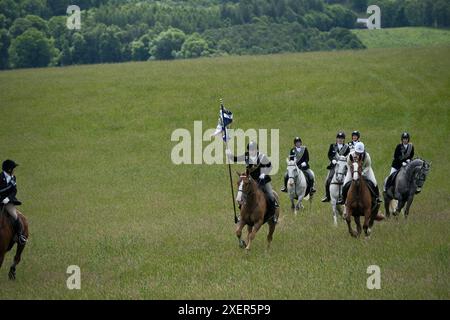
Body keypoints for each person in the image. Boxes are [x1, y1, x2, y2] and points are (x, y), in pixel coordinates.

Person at [226, 141, 279, 212]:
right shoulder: (246, 156)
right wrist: (229, 154)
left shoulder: (262, 157)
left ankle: (273, 211)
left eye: (253, 149)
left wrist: (264, 173)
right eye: (250, 150)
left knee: (270, 195)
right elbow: (235, 159)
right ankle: (241, 211)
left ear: (256, 150)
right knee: (243, 192)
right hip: (251, 180)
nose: (251, 151)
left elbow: (270, 166)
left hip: (262, 180)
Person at [0, 159, 27, 245]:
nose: (14, 170)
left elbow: (14, 191)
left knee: (15, 216)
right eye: (13, 168)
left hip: (8, 202)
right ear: (9, 169)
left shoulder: (13, 178)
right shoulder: (0, 178)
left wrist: (8, 198)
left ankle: (20, 236)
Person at [321, 131, 350, 202]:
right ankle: (327, 196)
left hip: (343, 167)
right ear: (336, 139)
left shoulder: (346, 147)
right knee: (328, 180)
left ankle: (348, 195)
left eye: (341, 138)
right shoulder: (332, 146)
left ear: (344, 139)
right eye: (339, 138)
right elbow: (329, 155)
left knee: (349, 180)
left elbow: (348, 156)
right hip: (334, 166)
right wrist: (332, 160)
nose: (340, 140)